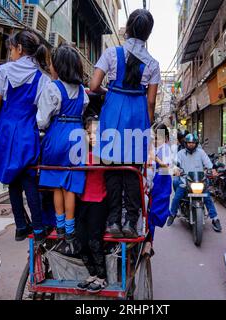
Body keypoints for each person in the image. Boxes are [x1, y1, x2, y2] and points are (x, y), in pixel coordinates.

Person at [90, 9, 161, 238]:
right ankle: (130, 222)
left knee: (111, 169)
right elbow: (151, 101)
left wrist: (110, 91)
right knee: (132, 172)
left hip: (113, 112)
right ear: (148, 33)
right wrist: (146, 126)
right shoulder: (152, 63)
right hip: (138, 114)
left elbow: (93, 86)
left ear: (128, 28)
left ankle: (112, 221)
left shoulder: (112, 53)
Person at [0, 30, 51, 245]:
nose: (10, 53)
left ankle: (20, 225)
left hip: (5, 129)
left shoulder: (4, 71)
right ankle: (38, 227)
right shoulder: (42, 78)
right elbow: (42, 112)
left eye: (10, 49)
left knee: (12, 178)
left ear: (19, 48)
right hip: (27, 130)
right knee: (29, 178)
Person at [38, 44, 89, 247]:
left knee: (57, 184)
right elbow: (83, 111)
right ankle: (70, 229)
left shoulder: (52, 87)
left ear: (58, 66)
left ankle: (59, 226)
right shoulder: (82, 92)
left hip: (57, 135)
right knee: (70, 186)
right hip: (77, 136)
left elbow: (42, 121)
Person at [76, 117, 109, 293]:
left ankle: (102, 277)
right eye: (89, 133)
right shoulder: (80, 152)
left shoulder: (106, 153)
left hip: (99, 202)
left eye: (96, 132)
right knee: (81, 240)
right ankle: (92, 274)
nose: (92, 136)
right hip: (82, 201)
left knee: (94, 241)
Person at [167, 134, 222, 232]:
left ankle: (215, 219)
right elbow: (174, 164)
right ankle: (172, 214)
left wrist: (213, 170)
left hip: (199, 181)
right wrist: (176, 170)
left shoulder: (201, 153)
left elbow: (209, 164)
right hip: (185, 180)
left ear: (196, 144)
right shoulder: (180, 153)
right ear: (186, 143)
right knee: (177, 197)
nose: (191, 144)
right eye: (189, 143)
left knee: (208, 198)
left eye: (193, 143)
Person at [145, 123, 172, 252]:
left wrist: (153, 157)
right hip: (154, 183)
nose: (156, 140)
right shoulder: (155, 148)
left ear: (166, 138)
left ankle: (149, 243)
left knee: (152, 214)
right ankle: (148, 242)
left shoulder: (166, 149)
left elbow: (166, 167)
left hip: (161, 185)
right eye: (155, 138)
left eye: (159, 138)